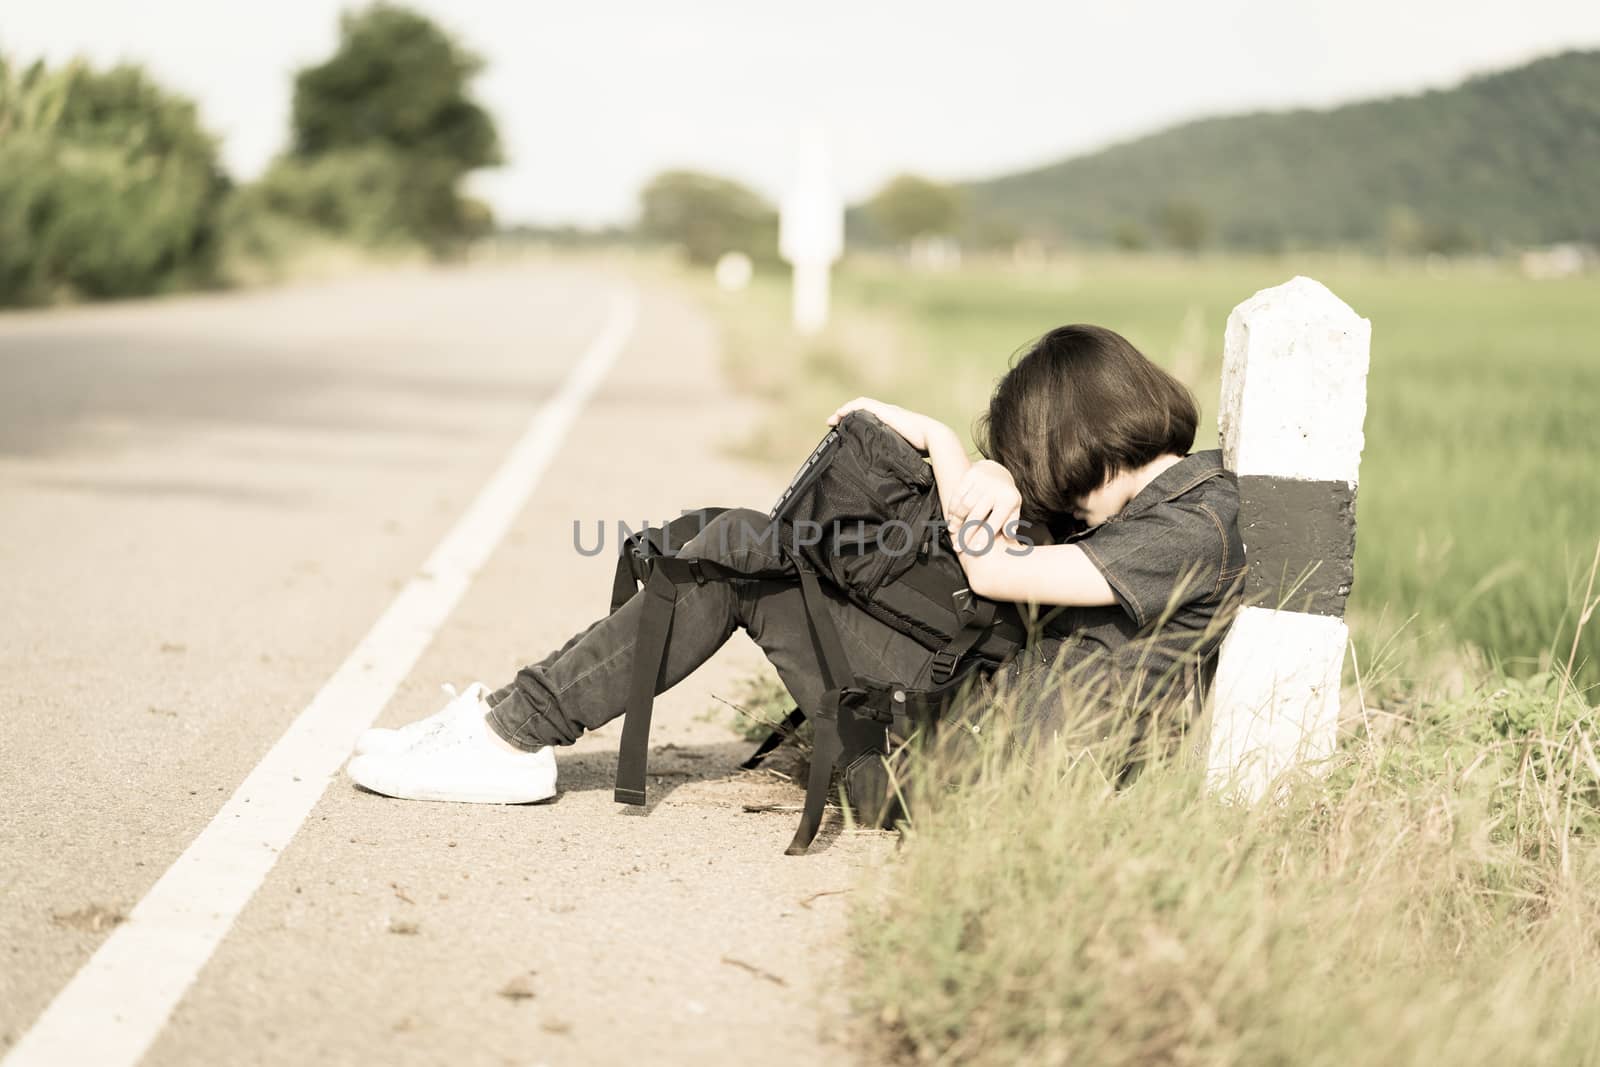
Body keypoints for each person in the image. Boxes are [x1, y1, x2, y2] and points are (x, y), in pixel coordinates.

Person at [345, 324, 1246, 804]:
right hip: (960, 733)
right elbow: (1024, 542)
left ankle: (508, 734)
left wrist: (938, 439)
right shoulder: (1172, 506)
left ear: (1070, 436)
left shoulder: (1190, 529)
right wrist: (1001, 475)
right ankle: (513, 719)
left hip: (957, 781)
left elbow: (999, 575)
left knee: (745, 557)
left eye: (1034, 452)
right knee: (741, 540)